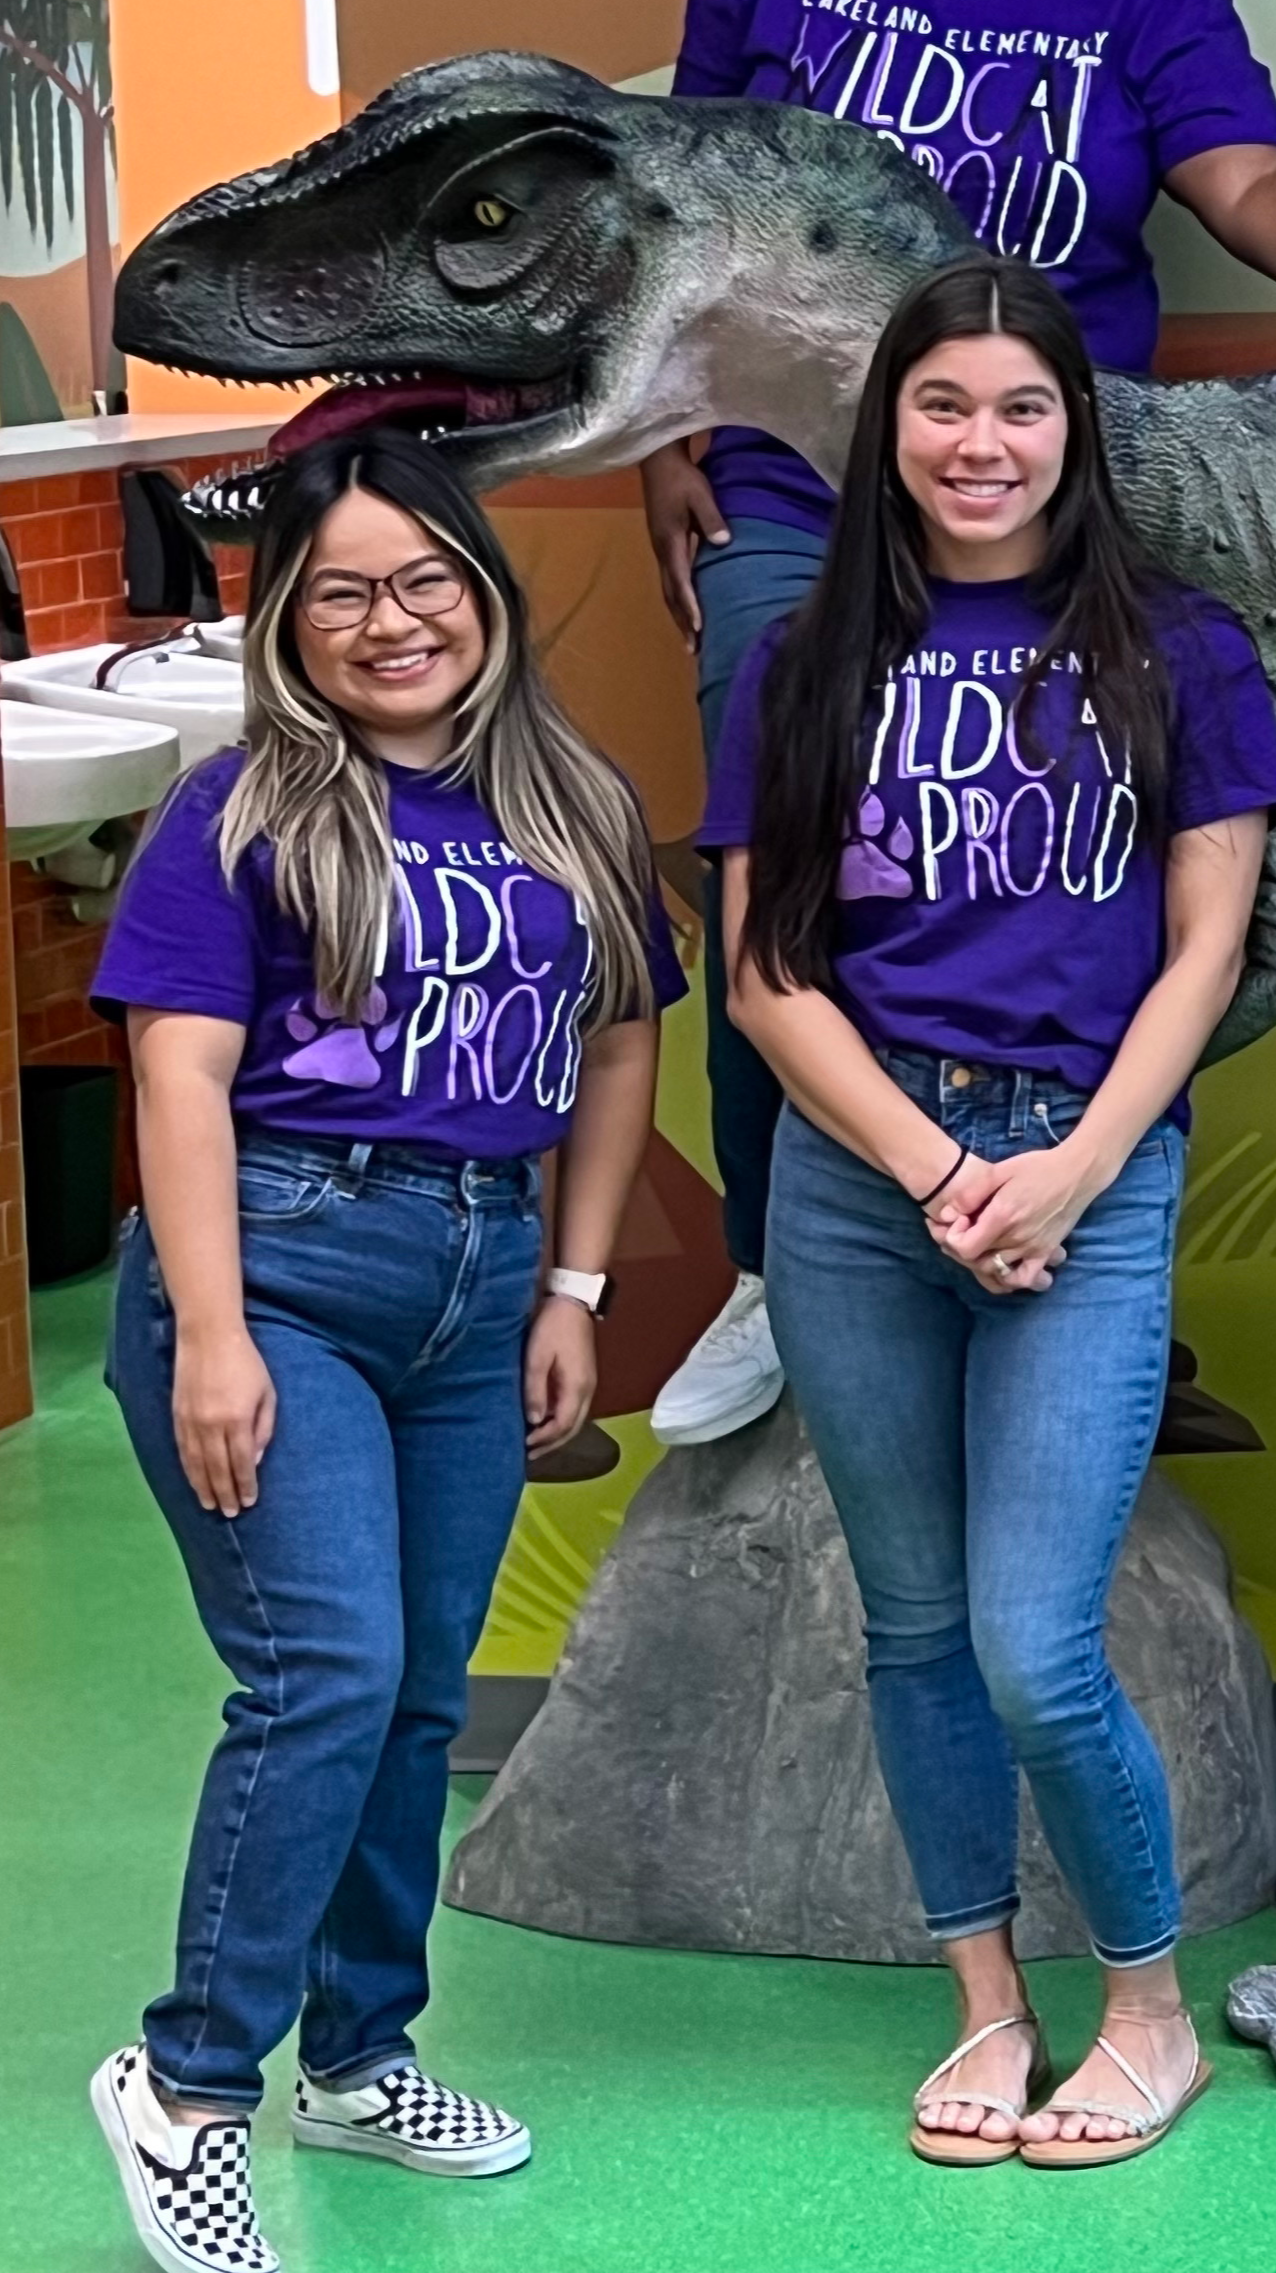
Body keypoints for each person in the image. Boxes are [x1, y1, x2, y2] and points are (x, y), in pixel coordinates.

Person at [646, 0, 1276, 1449]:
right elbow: (684, 213)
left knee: (1118, 862)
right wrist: (672, 429)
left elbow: (1235, 173)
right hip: (797, 486)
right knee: (784, 827)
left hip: (1065, 506)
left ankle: (1093, 1226)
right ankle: (780, 1256)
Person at [699, 257, 1276, 2170]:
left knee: (1042, 1638)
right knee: (917, 1626)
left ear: (1074, 430)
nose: (983, 442)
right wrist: (936, 1170)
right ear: (888, 428)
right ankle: (982, 2003)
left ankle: (1144, 2010)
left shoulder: (1175, 647)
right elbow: (765, 973)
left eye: (1021, 407)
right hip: (866, 1183)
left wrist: (1073, 1165)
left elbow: (1211, 950)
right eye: (943, 404)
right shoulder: (809, 660)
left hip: (1088, 1169)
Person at [88, 434, 681, 2273]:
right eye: (339, 591)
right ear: (290, 621)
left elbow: (616, 1050)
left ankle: (359, 2054)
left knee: (422, 1691)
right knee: (325, 1677)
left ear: (483, 594)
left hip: (480, 1284)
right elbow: (174, 1073)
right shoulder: (243, 812)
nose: (389, 621)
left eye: (424, 579)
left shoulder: (571, 804)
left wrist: (574, 1293)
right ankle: (187, 2087)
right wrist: (209, 1333)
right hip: (278, 1264)